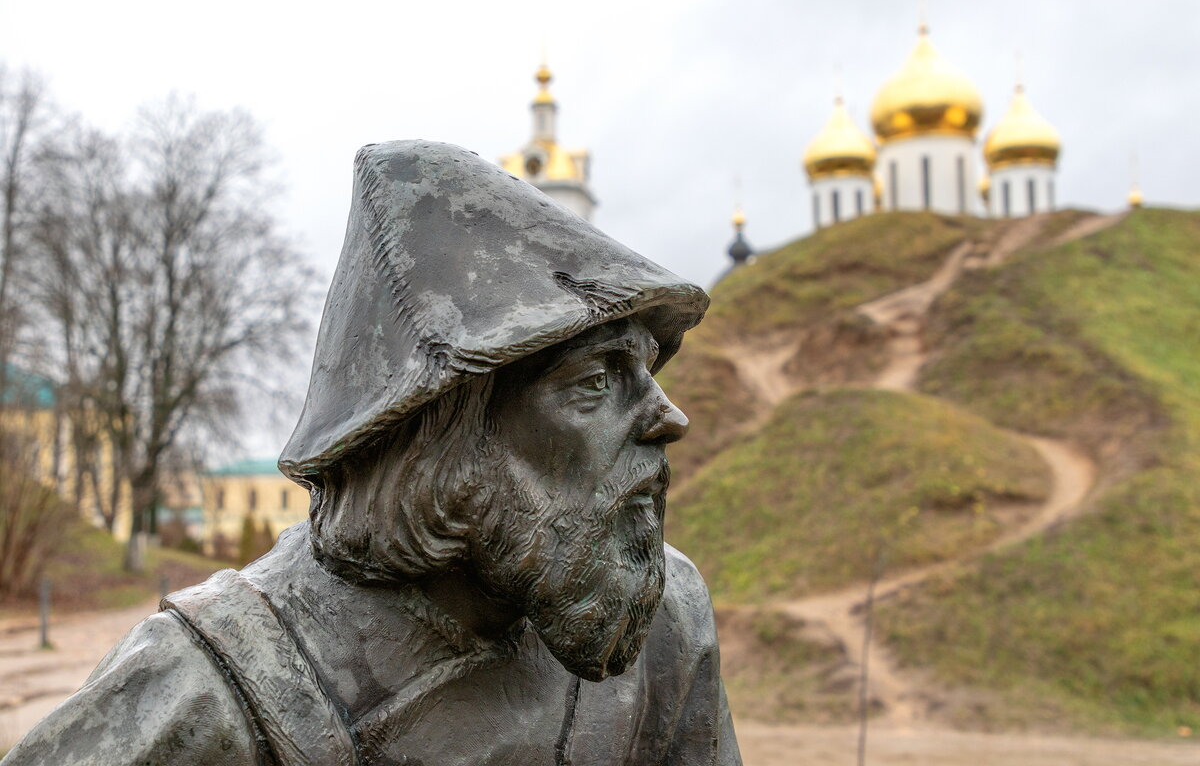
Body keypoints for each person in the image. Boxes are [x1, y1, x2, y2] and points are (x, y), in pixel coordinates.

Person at [1, 141, 741, 765]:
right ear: (448, 433)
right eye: (594, 381)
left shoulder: (665, 624)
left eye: (647, 368)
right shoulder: (207, 687)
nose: (667, 416)